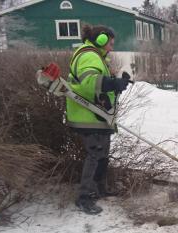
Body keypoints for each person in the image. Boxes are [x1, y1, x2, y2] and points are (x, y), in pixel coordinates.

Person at [66, 24, 130, 215]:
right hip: (88, 115)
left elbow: (99, 86)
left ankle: (100, 189)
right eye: (110, 43)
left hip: (99, 114)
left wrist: (116, 84)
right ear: (101, 40)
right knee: (95, 155)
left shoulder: (96, 57)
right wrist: (113, 83)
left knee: (102, 155)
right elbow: (89, 83)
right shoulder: (88, 55)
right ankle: (84, 198)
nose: (111, 47)